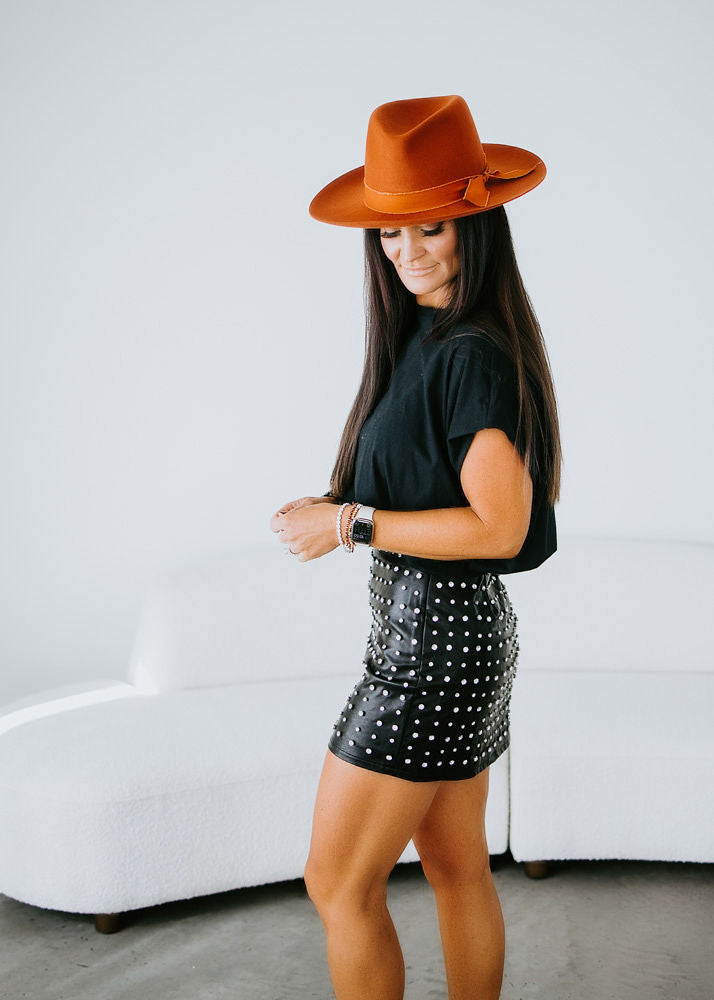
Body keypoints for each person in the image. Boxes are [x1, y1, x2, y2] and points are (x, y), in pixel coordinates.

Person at [269, 94, 561, 1000]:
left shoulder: (470, 350)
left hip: (432, 649)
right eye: (390, 234)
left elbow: (501, 526)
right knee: (456, 868)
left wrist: (349, 525)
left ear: (477, 225)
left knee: (336, 884)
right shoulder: (428, 337)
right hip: (450, 639)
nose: (407, 252)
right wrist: (338, 501)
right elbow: (430, 480)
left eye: (430, 228)